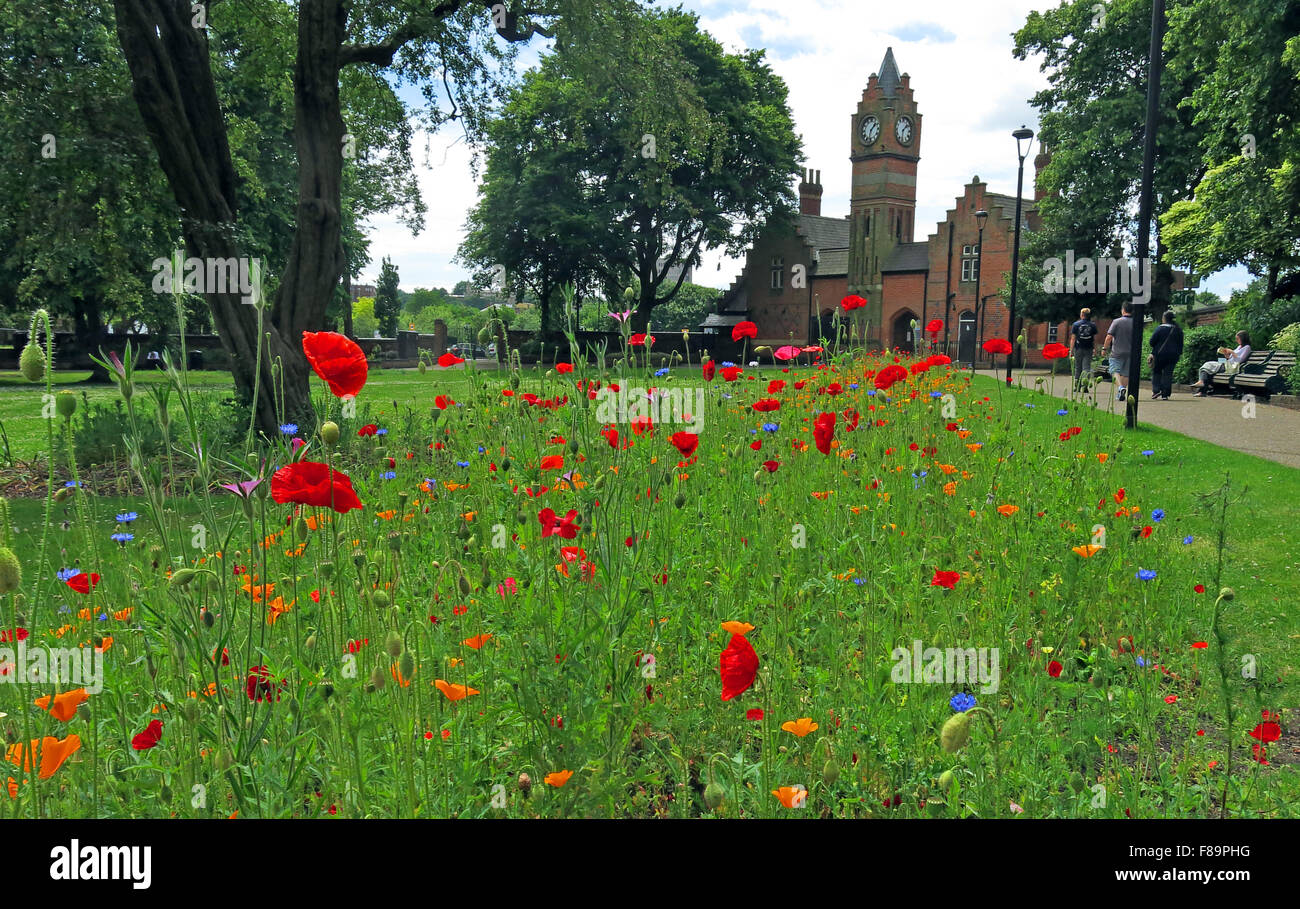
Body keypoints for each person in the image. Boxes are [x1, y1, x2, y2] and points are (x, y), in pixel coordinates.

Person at [1191, 330, 1252, 397]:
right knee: (1208, 366)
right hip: (1227, 362)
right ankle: (1202, 386)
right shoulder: (1239, 347)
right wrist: (1226, 355)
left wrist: (1231, 351)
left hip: (1232, 366)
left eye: (1238, 338)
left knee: (1208, 366)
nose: (1236, 340)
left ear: (1243, 338)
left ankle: (1201, 386)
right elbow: (1231, 358)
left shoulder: (1247, 348)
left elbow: (1240, 360)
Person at [1101, 302, 1134, 402]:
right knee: (1126, 374)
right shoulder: (1136, 322)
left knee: (1114, 371)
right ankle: (1121, 393)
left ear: (1123, 310)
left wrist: (1104, 349)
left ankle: (1120, 388)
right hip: (1131, 353)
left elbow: (1109, 337)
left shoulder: (1117, 322)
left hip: (1117, 352)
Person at [1147, 311, 1184, 400]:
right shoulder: (1178, 329)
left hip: (1160, 354)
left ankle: (1156, 390)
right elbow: (1181, 344)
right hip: (1173, 356)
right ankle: (1165, 394)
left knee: (1157, 371)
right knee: (1168, 373)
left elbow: (1152, 342)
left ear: (1164, 318)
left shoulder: (1160, 328)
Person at [1069, 307, 1098, 392]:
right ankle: (1085, 386)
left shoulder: (1076, 324)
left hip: (1078, 348)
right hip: (1088, 348)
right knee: (1086, 368)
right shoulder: (1093, 325)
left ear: (1082, 314)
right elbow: (1095, 339)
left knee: (1078, 367)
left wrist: (1071, 350)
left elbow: (1073, 338)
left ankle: (1077, 386)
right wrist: (1095, 349)